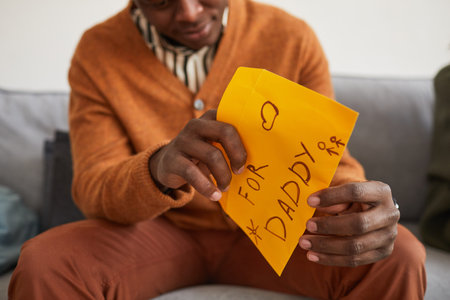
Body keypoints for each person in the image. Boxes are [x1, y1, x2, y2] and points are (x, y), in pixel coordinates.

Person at [9, 0, 426, 299]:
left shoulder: (290, 37)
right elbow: (95, 185)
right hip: (157, 232)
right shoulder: (98, 51)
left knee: (399, 253)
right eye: (160, 1)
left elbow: (326, 161)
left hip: (274, 236)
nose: (188, 12)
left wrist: (358, 204)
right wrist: (156, 168)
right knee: (46, 262)